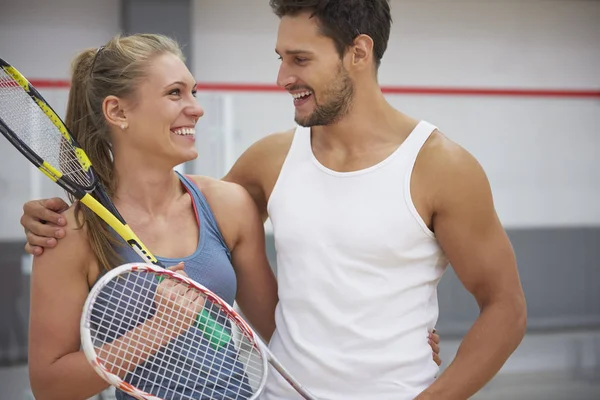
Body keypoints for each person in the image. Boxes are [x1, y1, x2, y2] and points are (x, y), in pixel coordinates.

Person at [16, 1, 527, 400]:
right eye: (280, 58)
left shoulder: (444, 169)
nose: (282, 77)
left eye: (299, 59)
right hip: (279, 391)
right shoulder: (268, 162)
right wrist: (51, 220)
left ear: (358, 52)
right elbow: (174, 212)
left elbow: (505, 308)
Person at [22, 33, 281, 400]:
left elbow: (278, 332)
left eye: (194, 92)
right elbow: (49, 387)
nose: (196, 108)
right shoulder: (70, 234)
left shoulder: (228, 205)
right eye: (175, 93)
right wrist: (159, 329)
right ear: (117, 112)